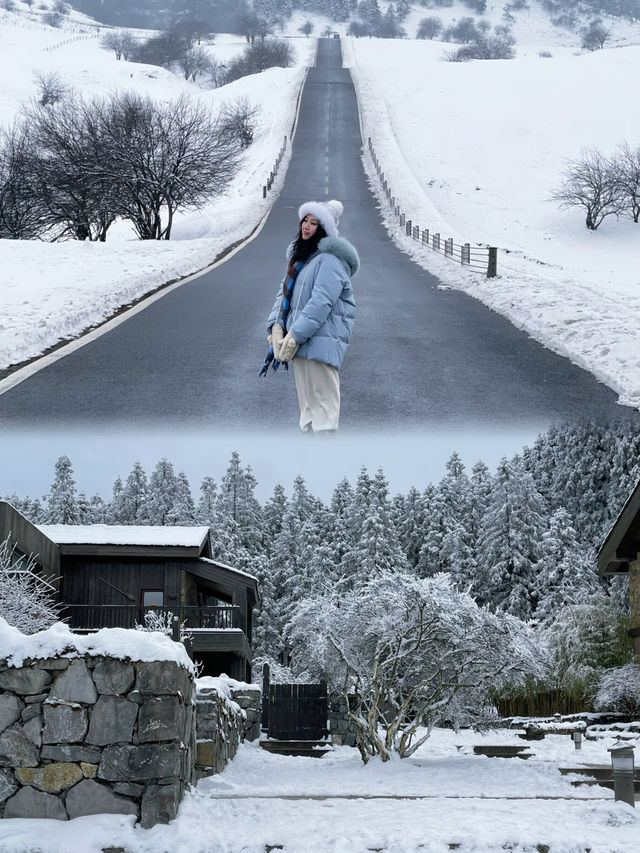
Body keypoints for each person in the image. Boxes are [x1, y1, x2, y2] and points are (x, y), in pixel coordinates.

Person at [261, 199, 359, 433]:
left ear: (324, 229)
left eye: (314, 223)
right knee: (308, 411)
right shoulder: (302, 259)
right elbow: (283, 293)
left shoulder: (331, 261)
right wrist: (276, 326)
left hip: (320, 343)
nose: (307, 226)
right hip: (302, 343)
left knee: (324, 411)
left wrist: (294, 334)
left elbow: (321, 302)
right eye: (305, 220)